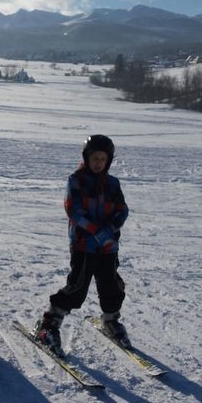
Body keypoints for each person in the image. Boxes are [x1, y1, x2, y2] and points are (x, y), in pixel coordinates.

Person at [34, 134, 130, 356]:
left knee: (111, 284)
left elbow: (122, 209)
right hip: (84, 244)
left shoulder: (113, 183)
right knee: (77, 286)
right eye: (94, 158)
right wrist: (96, 231)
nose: (98, 163)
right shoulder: (75, 180)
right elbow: (73, 210)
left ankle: (111, 319)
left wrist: (112, 229)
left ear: (108, 161)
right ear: (87, 158)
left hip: (108, 246)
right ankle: (49, 324)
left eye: (102, 159)